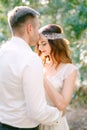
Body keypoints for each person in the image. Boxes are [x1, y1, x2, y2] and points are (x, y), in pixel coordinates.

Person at [0, 6, 62, 130]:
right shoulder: (31, 59)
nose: (39, 33)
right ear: (29, 28)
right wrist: (58, 114)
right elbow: (36, 111)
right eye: (38, 27)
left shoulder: (2, 51)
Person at [36, 24, 77, 130]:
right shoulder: (40, 65)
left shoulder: (69, 70)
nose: (40, 48)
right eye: (38, 44)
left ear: (55, 43)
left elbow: (62, 105)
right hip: (36, 123)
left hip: (55, 124)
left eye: (44, 44)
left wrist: (43, 78)